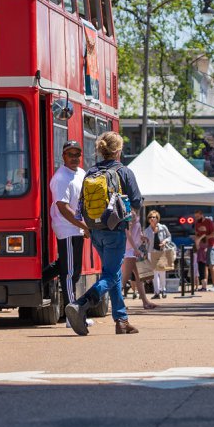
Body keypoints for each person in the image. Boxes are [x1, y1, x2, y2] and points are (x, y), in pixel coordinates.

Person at [64, 131, 143, 335]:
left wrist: (86, 227)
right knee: (110, 274)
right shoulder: (124, 171)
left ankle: (122, 320)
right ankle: (81, 304)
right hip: (114, 230)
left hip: (94, 231)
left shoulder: (90, 172)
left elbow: (81, 203)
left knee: (113, 272)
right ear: (118, 150)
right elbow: (137, 201)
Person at [48, 142, 87, 311]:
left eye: (77, 154)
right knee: (71, 272)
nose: (74, 158)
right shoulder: (61, 178)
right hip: (67, 228)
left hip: (75, 227)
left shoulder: (81, 173)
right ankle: (73, 312)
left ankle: (36, 280)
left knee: (68, 267)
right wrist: (84, 225)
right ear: (63, 156)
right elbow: (63, 207)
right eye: (70, 154)